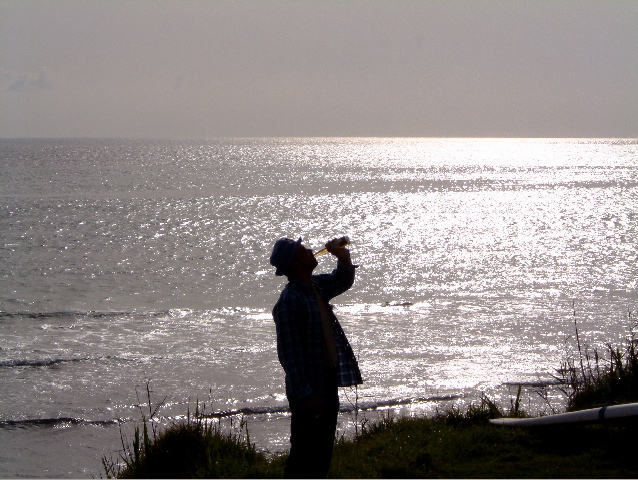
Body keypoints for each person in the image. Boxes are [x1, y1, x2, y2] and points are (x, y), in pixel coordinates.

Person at [270, 237, 363, 479]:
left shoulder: (316, 286)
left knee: (321, 454)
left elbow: (342, 280)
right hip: (309, 391)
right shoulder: (289, 301)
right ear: (295, 262)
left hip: (326, 382)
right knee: (304, 457)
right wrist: (306, 395)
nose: (311, 250)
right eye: (303, 250)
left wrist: (343, 258)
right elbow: (289, 356)